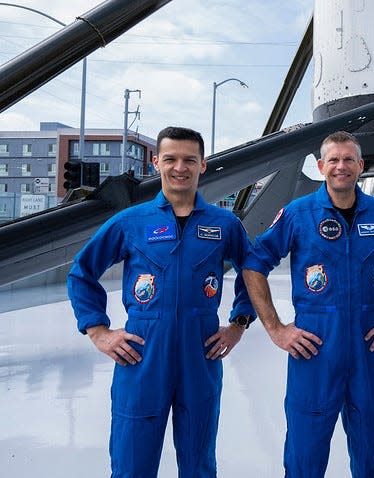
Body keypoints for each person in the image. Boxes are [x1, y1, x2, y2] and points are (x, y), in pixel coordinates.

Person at [67, 126, 255, 477]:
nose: (179, 167)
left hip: (200, 353)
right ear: (156, 163)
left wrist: (239, 324)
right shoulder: (130, 222)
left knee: (198, 462)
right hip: (142, 353)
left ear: (203, 165)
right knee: (132, 461)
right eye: (170, 159)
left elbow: (253, 272)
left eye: (189, 160)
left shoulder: (225, 224)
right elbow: (82, 272)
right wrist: (98, 332)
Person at [242, 131, 374, 478]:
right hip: (315, 348)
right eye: (334, 160)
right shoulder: (297, 213)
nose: (341, 166)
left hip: (367, 347)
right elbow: (253, 264)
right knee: (305, 455)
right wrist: (276, 329)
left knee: (368, 454)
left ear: (361, 166)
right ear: (321, 166)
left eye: (349, 159)